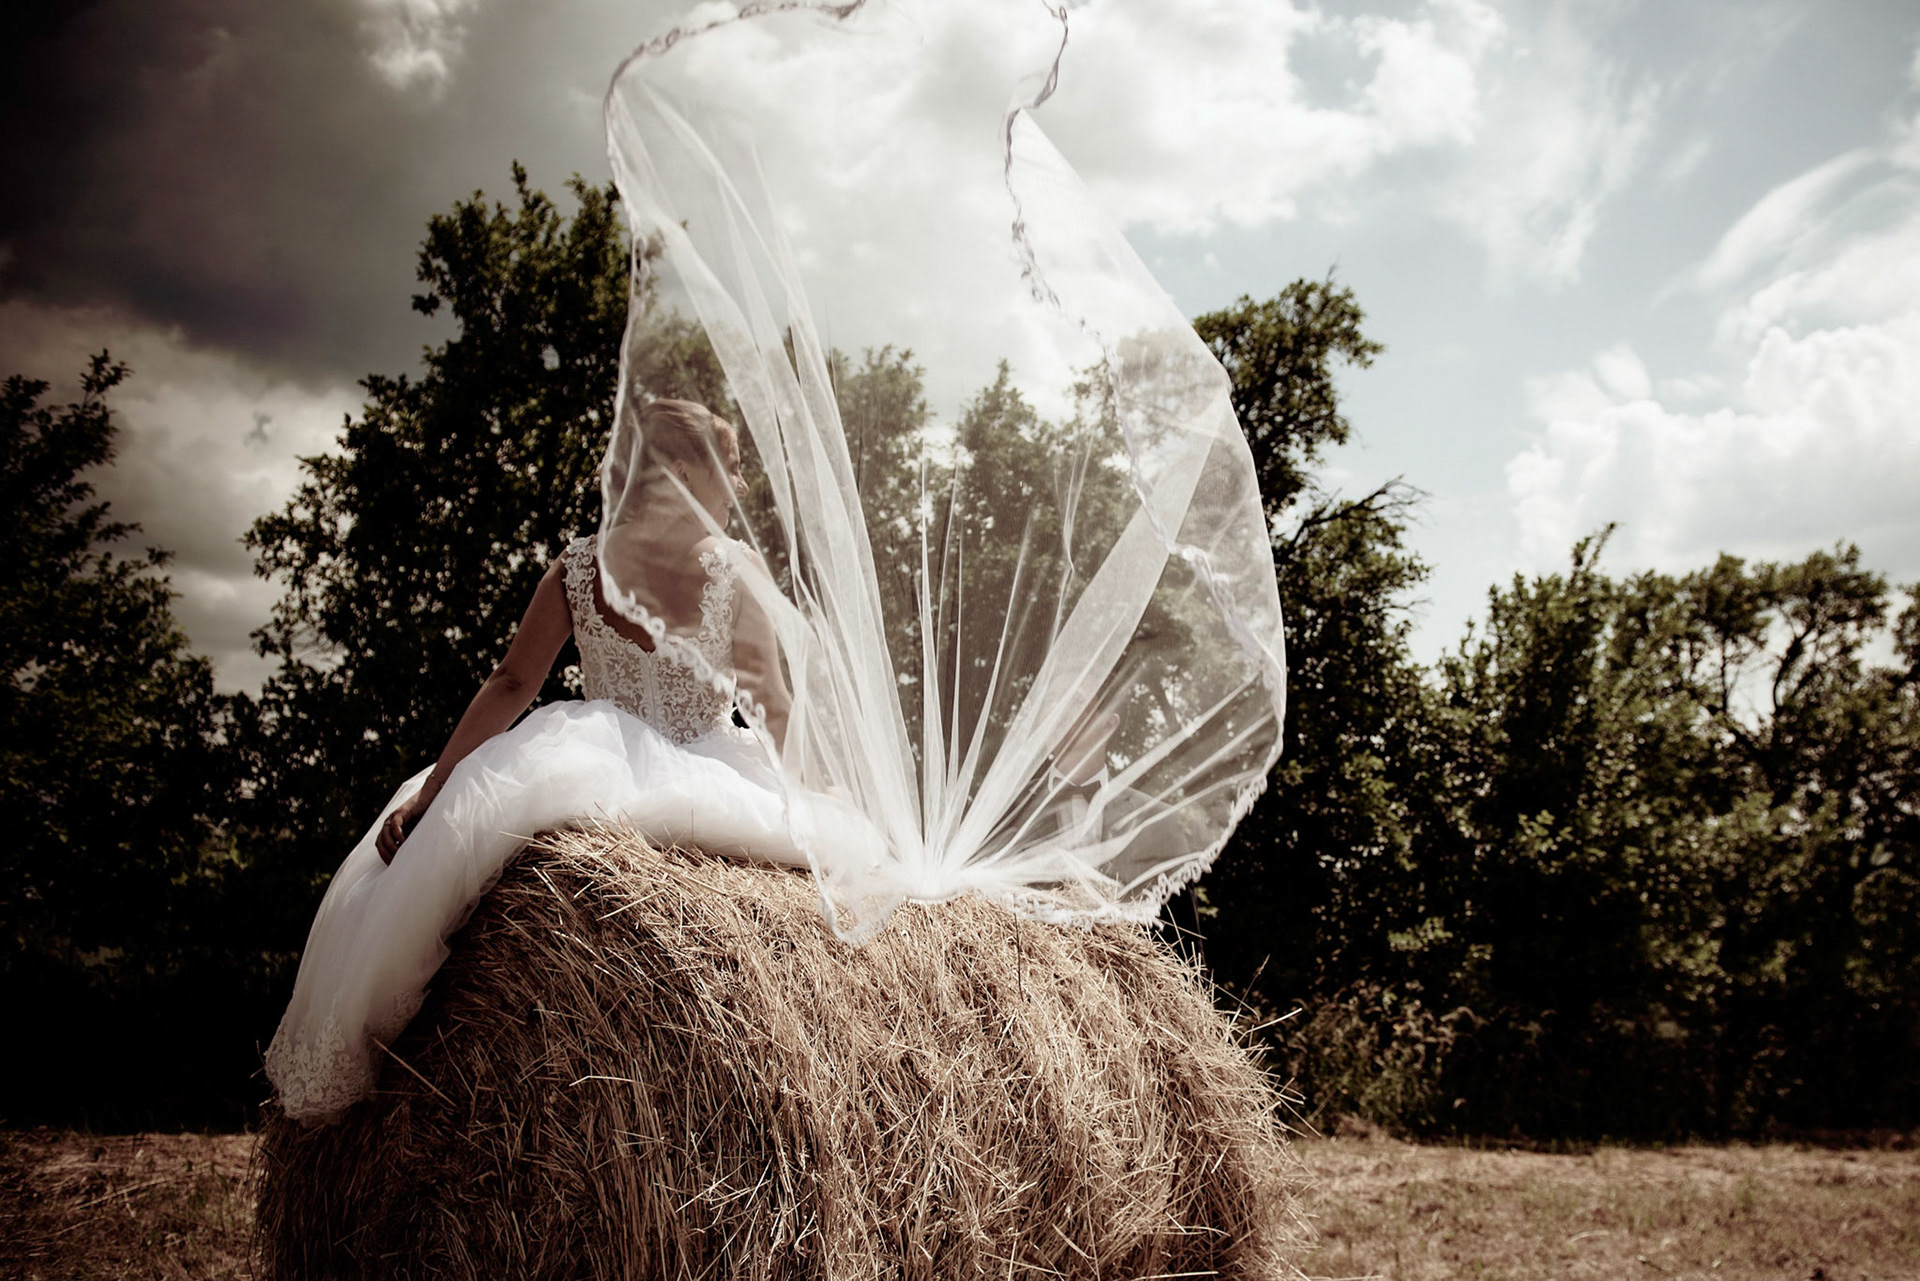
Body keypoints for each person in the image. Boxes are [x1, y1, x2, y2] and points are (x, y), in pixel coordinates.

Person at [264, 398, 870, 1123]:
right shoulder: (734, 573)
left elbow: (511, 683)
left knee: (443, 868)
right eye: (732, 467)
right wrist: (819, 793)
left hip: (592, 760)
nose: (741, 485)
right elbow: (770, 703)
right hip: (699, 765)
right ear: (683, 472)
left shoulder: (578, 565)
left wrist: (437, 791)